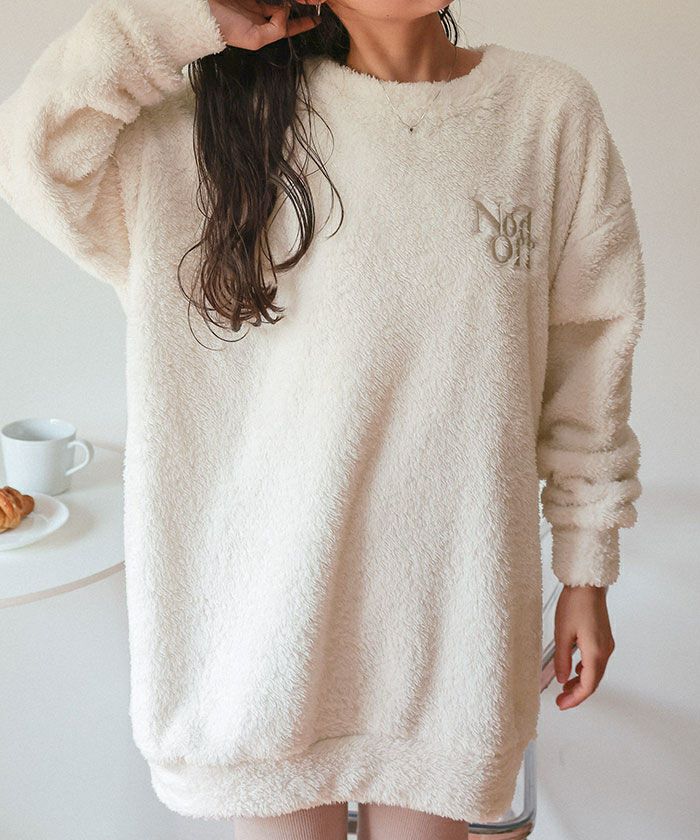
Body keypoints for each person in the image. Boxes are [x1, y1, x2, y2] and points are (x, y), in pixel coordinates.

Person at [0, 1, 646, 838]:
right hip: (261, 639)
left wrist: (586, 568)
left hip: (450, 633)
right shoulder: (213, 132)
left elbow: (590, 360)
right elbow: (35, 154)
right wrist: (186, 18)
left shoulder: (544, 113)